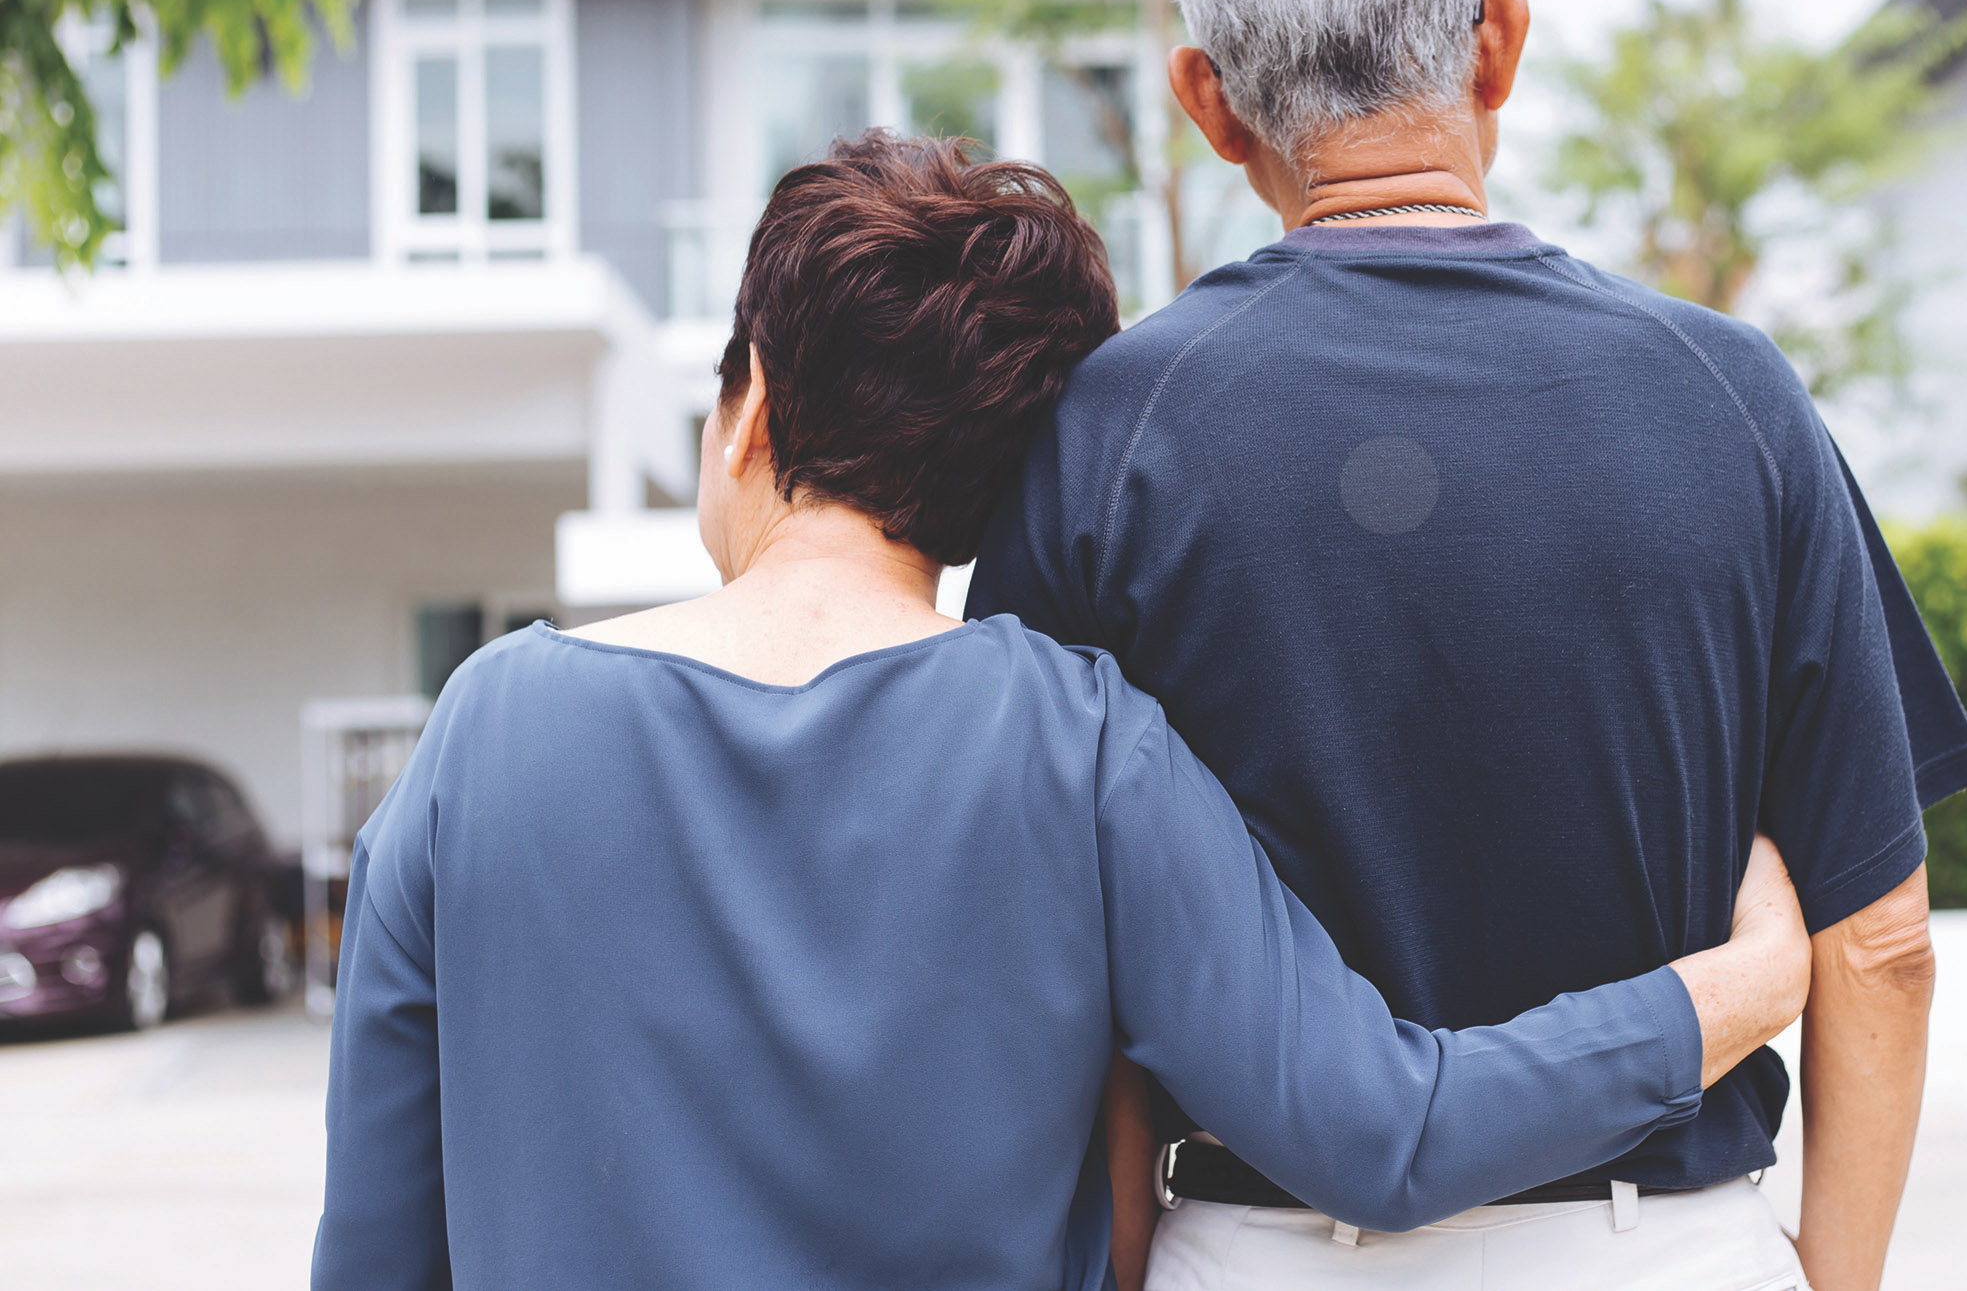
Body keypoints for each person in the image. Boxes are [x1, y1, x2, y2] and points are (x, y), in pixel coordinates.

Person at [311, 133, 1815, 1291]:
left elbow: (376, 1258)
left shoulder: (487, 738)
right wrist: (1731, 991)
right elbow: (1382, 1131)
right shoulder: (1079, 743)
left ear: (748, 408)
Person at [970, 0, 1967, 1291]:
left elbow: (1061, 969)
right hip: (1668, 1252)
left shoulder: (1106, 433)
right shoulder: (1733, 397)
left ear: (1206, 99)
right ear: (1497, 40)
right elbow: (1881, 941)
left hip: (1264, 1248)